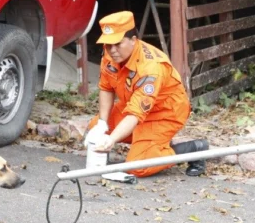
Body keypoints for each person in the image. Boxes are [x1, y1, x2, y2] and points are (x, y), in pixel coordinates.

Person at [87, 11, 209, 177]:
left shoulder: (151, 68)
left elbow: (134, 115)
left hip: (164, 113)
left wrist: (111, 139)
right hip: (134, 106)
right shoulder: (110, 54)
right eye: (108, 44)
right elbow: (106, 88)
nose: (112, 50)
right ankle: (152, 145)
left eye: (117, 44)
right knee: (96, 126)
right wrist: (102, 124)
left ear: (133, 40)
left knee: (138, 166)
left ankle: (194, 149)